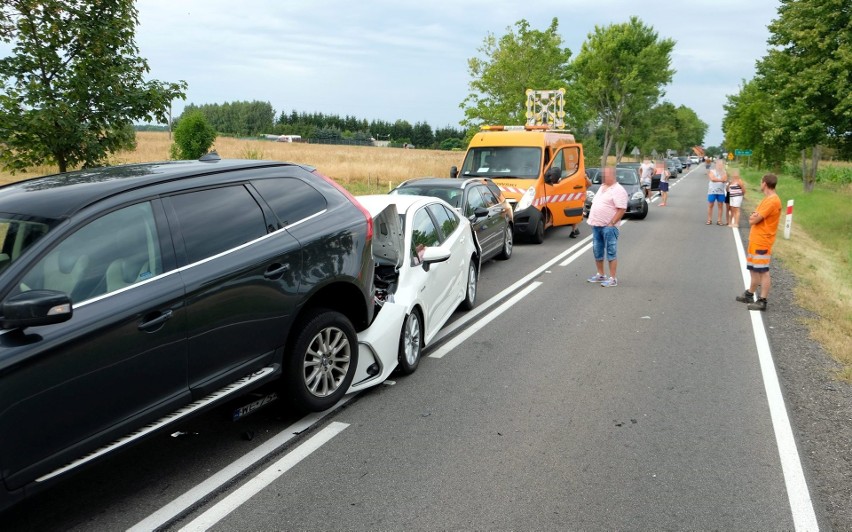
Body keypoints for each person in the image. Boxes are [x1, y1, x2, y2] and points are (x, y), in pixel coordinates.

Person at [735, 173, 781, 311]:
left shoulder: (772, 201)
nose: (760, 184)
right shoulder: (767, 199)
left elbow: (754, 219)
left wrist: (753, 218)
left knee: (763, 271)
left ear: (765, 183)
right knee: (754, 269)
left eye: (761, 182)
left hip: (763, 241)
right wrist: (753, 217)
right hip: (756, 239)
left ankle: (762, 300)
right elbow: (753, 215)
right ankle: (750, 293)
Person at [586, 166, 627, 287]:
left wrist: (612, 223)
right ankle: (601, 274)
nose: (604, 177)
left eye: (606, 175)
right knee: (597, 251)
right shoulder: (602, 187)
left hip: (609, 227)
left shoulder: (618, 189)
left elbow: (622, 209)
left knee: (611, 252)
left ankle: (613, 278)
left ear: (613, 176)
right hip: (596, 225)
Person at [570, 172, 593, 238]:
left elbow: (590, 184)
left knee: (577, 214)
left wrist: (585, 177)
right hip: (572, 198)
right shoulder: (573, 178)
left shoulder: (583, 178)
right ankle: (575, 229)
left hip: (580, 199)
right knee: (575, 215)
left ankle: (574, 230)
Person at [706, 160, 728, 225]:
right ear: (716, 165)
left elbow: (725, 179)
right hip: (712, 191)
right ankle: (709, 219)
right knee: (710, 205)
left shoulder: (724, 172)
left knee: (720, 206)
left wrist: (717, 179)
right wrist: (721, 180)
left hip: (721, 191)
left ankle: (719, 220)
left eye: (721, 165)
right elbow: (712, 179)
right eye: (718, 164)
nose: (720, 166)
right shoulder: (711, 171)